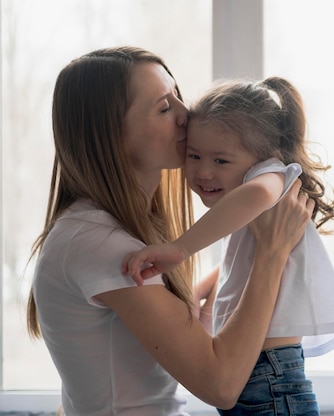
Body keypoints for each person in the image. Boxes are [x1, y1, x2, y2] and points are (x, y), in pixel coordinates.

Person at [25, 46, 312, 416]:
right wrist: (271, 254)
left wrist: (217, 285)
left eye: (178, 95)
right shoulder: (97, 242)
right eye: (164, 107)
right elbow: (221, 386)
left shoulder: (118, 230)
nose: (186, 114)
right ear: (110, 133)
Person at [123, 77, 334, 415]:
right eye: (195, 155)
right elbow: (245, 259)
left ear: (263, 158)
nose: (203, 171)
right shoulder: (253, 202)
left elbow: (258, 194)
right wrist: (206, 291)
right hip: (261, 375)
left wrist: (180, 249)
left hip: (272, 378)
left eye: (221, 161)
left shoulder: (273, 177)